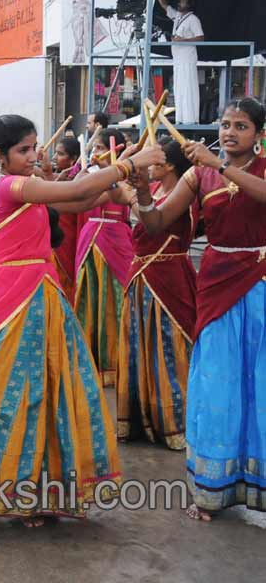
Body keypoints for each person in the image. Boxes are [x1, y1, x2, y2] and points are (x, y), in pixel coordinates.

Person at [0, 114, 165, 528]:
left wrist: (116, 190)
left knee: (45, 395)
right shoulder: (6, 185)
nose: (33, 155)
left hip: (42, 294)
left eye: (34, 146)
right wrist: (128, 164)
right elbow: (73, 188)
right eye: (24, 149)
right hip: (10, 297)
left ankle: (34, 491)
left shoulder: (25, 185)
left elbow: (76, 200)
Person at [130, 97, 266, 520]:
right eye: (225, 124)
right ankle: (212, 488)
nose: (230, 132)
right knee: (216, 382)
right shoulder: (196, 173)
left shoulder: (236, 168)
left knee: (259, 383)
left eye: (241, 126)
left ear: (259, 134)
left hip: (259, 280)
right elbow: (156, 224)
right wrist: (139, 191)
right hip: (215, 283)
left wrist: (218, 164)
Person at [117, 138, 197, 450]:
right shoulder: (159, 190)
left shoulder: (182, 194)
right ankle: (142, 419)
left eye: (155, 161)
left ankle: (173, 423)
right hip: (142, 277)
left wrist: (132, 198)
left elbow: (155, 223)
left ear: (170, 165)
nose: (150, 166)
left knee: (168, 348)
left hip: (168, 279)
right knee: (141, 347)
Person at [74, 128, 137, 388]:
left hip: (117, 238)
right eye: (95, 148)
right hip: (91, 236)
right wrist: (89, 167)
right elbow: (75, 189)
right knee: (89, 294)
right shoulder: (91, 175)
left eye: (102, 148)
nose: (98, 153)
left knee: (116, 295)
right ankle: (89, 360)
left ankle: (118, 360)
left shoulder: (129, 177)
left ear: (119, 150)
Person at [157, 0, 204, 124]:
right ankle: (181, 118)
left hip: (187, 58)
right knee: (179, 88)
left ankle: (190, 119)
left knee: (188, 87)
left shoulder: (193, 19)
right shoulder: (178, 16)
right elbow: (165, 5)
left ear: (189, 5)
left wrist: (183, 40)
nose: (179, 3)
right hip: (177, 59)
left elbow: (201, 38)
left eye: (182, 2)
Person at [51, 136, 83, 298]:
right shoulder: (60, 178)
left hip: (68, 240)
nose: (54, 157)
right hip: (54, 242)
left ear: (73, 160)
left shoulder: (81, 183)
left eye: (60, 154)